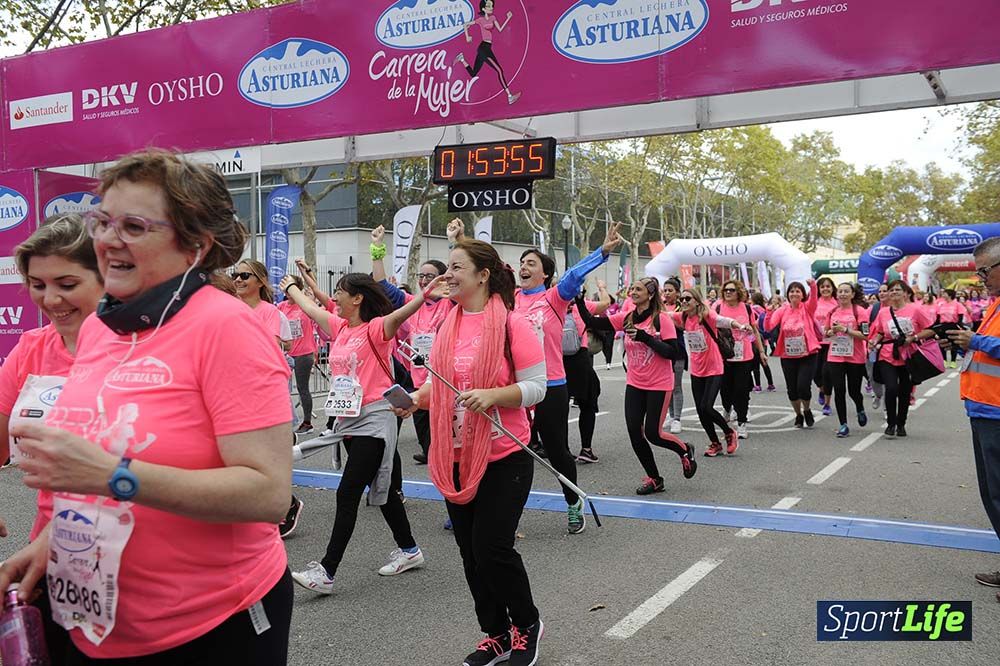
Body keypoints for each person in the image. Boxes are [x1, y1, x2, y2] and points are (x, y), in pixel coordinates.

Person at [0, 149, 295, 663]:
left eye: (133, 226)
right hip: (93, 618)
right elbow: (94, 455)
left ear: (195, 247)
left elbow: (268, 493)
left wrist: (115, 473)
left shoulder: (227, 327)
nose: (108, 239)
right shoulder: (99, 326)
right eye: (103, 221)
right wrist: (49, 545)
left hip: (210, 622)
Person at [393, 239, 547, 666]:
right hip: (455, 455)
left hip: (505, 455)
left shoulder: (513, 324)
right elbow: (440, 385)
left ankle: (527, 625)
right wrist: (414, 399)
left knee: (492, 548)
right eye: (448, 268)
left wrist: (494, 394)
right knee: (469, 553)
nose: (448, 275)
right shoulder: (448, 326)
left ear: (482, 275)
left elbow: (538, 386)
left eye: (457, 267)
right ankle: (495, 633)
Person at [281, 270, 440, 594]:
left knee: (348, 492)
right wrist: (292, 287)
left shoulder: (376, 329)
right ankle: (410, 550)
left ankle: (326, 571)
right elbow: (313, 310)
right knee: (380, 490)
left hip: (376, 421)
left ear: (357, 298)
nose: (334, 297)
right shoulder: (340, 328)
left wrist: (424, 297)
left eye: (339, 292)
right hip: (348, 420)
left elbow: (399, 315)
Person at [0, 213, 104, 662]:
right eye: (38, 284)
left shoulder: (144, 348)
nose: (51, 298)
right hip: (54, 550)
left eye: (66, 283)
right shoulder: (33, 348)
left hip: (140, 552)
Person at [498, 221, 622, 535]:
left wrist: (602, 252)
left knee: (556, 452)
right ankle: (504, 513)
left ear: (544, 275)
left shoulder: (555, 297)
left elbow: (574, 275)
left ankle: (573, 501)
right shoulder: (509, 299)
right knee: (514, 450)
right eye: (522, 263)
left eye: (531, 264)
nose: (524, 267)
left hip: (551, 385)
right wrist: (459, 240)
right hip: (516, 387)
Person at [577, 278, 696, 494]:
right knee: (634, 431)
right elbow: (593, 322)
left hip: (659, 384)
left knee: (653, 433)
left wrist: (645, 338)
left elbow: (673, 352)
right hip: (635, 383)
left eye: (638, 289)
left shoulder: (662, 320)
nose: (633, 291)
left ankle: (685, 450)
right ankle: (654, 478)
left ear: (650, 295)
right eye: (632, 288)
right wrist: (578, 300)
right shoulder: (627, 318)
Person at [369, 223, 455, 465]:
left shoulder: (452, 303)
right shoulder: (412, 302)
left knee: (449, 445)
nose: (424, 280)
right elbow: (382, 285)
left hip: (447, 382)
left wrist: (453, 242)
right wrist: (377, 247)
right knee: (429, 446)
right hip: (420, 385)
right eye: (421, 276)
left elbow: (460, 271)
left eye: (430, 276)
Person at [948, 238, 1000, 603]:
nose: (980, 277)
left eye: (985, 270)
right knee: (991, 494)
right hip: (983, 409)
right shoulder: (995, 303)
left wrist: (978, 341)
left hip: (996, 413)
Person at [672, 287, 747, 457]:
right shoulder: (682, 317)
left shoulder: (707, 315)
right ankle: (715, 443)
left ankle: (729, 432)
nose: (683, 302)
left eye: (687, 299)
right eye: (682, 299)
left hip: (714, 367)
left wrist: (741, 325)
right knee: (700, 410)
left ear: (696, 301)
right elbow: (664, 316)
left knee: (707, 406)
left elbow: (725, 321)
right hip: (697, 370)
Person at [868, 280, 935, 438]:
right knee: (891, 388)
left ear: (906, 293)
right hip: (887, 354)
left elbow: (930, 329)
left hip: (908, 355)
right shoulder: (884, 312)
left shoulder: (915, 310)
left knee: (905, 391)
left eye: (898, 290)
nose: (894, 292)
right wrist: (874, 341)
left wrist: (914, 337)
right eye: (891, 290)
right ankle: (891, 424)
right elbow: (879, 332)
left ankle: (901, 423)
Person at [564, 280, 611, 463]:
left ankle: (562, 450)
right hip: (580, 360)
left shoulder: (548, 305)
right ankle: (586, 449)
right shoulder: (579, 306)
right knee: (588, 404)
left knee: (559, 409)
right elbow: (606, 303)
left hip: (555, 362)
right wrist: (602, 287)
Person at [765, 279, 821, 428]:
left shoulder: (807, 308)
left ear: (803, 295)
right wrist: (769, 312)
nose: (794, 293)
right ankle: (798, 414)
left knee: (803, 386)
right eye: (792, 291)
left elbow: (814, 299)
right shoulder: (783, 310)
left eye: (798, 291)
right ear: (788, 295)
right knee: (792, 389)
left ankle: (807, 410)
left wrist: (813, 286)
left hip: (808, 354)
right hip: (788, 355)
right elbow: (769, 326)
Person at [716, 280, 764, 439]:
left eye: (731, 290)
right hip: (724, 356)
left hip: (744, 356)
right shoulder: (717, 307)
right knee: (725, 390)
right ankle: (727, 408)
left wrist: (762, 351)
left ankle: (742, 423)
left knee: (741, 391)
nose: (728, 293)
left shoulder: (747, 307)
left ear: (738, 292)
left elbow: (755, 331)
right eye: (725, 290)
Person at [823, 283, 870, 438]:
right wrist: (831, 332)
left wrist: (845, 330)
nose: (842, 294)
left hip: (855, 357)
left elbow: (865, 335)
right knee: (839, 390)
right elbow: (826, 333)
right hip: (835, 355)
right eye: (840, 291)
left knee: (854, 391)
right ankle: (843, 424)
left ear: (852, 294)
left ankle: (860, 407)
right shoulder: (832, 312)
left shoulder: (859, 311)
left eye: (846, 291)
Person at [455, 0, 521, 105]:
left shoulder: (493, 18)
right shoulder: (480, 20)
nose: (491, 7)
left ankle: (462, 59)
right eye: (488, 6)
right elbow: (465, 24)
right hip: (484, 48)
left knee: (473, 73)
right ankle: (509, 96)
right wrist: (467, 36)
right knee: (499, 70)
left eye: (492, 6)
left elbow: (499, 29)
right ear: (483, 9)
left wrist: (508, 18)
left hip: (487, 48)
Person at [278, 275, 319, 434]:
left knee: (303, 388)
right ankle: (284, 422)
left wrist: (307, 274)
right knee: (282, 389)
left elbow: (314, 306)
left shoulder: (305, 305)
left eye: (291, 288)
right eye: (286, 290)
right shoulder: (281, 307)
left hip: (304, 353)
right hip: (286, 354)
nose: (288, 293)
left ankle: (307, 422)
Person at [234, 258, 291, 353]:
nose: (238, 280)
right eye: (235, 275)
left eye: (245, 276)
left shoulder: (269, 311)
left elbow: (271, 344)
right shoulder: (230, 308)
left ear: (261, 282)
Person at [662, 278, 688, 433]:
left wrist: (668, 315)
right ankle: (669, 416)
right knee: (666, 386)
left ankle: (677, 418)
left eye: (670, 290)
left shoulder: (682, 307)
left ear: (677, 293)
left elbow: (684, 325)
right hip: (662, 350)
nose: (666, 293)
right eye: (665, 290)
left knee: (676, 386)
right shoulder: (660, 306)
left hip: (678, 350)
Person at [813, 277, 838, 416]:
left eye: (828, 286)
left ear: (832, 288)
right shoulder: (814, 304)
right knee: (816, 374)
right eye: (822, 287)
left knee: (827, 374)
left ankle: (827, 403)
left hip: (831, 343)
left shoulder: (837, 304)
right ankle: (821, 389)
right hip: (816, 343)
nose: (825, 289)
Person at [936, 289, 969, 368]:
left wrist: (960, 325)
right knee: (943, 343)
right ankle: (944, 360)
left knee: (953, 343)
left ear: (950, 295)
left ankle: (953, 361)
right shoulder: (941, 304)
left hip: (953, 325)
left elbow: (960, 315)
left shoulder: (957, 304)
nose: (943, 295)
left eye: (945, 294)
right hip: (943, 325)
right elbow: (938, 316)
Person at [750, 292, 776, 392]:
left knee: (755, 364)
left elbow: (752, 324)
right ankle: (771, 384)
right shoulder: (764, 310)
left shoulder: (752, 309)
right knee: (764, 363)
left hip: (754, 339)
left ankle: (758, 385)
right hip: (763, 341)